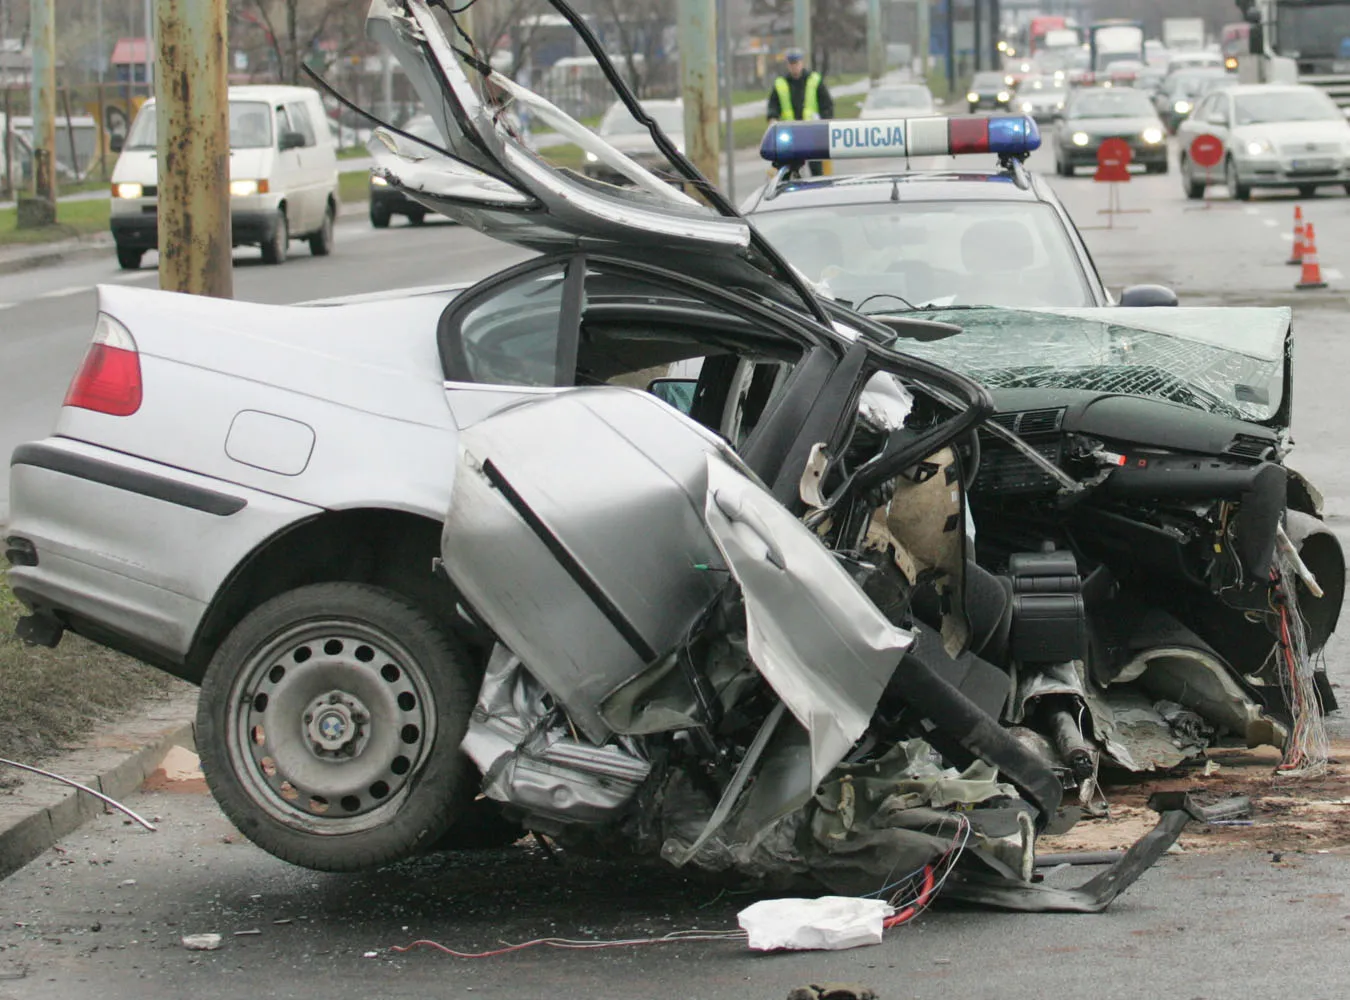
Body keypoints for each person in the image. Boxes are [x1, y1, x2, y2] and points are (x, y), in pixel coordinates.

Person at [766, 47, 835, 176]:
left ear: (802, 63)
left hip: (812, 132)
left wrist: (825, 122)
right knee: (788, 170)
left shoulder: (814, 80)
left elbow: (827, 105)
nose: (794, 67)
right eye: (791, 64)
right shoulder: (781, 83)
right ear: (788, 65)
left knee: (817, 171)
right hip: (790, 133)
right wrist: (772, 117)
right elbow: (773, 105)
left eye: (796, 63)